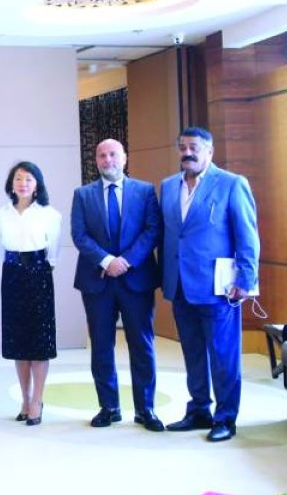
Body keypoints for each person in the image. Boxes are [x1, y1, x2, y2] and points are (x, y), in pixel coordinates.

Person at [160, 127, 260, 442]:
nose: (187, 152)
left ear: (209, 151)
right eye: (182, 147)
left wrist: (245, 280)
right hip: (180, 286)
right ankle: (199, 410)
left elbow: (247, 235)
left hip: (219, 289)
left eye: (194, 147)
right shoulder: (168, 186)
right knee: (192, 354)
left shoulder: (231, 184)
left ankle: (226, 418)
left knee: (223, 356)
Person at [71, 139, 163, 432]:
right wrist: (107, 260)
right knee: (101, 346)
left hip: (136, 280)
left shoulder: (145, 191)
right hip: (97, 282)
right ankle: (109, 407)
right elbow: (79, 235)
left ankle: (145, 409)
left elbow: (153, 230)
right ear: (96, 160)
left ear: (124, 158)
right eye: (102, 155)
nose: (107, 159)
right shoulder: (82, 195)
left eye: (113, 154)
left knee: (142, 345)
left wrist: (126, 260)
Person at [0, 161, 61, 427]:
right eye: (18, 178)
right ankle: (24, 399)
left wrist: (38, 271)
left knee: (39, 342)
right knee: (18, 342)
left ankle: (37, 400)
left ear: (37, 185)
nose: (23, 183)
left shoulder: (50, 214)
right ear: (11, 184)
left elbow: (53, 255)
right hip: (11, 276)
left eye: (29, 179)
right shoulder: (1, 215)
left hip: (39, 275)